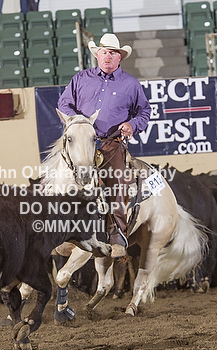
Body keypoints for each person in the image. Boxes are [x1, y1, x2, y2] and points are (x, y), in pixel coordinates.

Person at [57, 33, 151, 258]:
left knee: (115, 182)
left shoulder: (130, 84)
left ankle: (117, 234)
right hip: (81, 141)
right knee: (55, 177)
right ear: (97, 55)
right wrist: (78, 121)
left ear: (120, 57)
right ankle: (57, 229)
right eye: (104, 52)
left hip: (110, 143)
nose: (108, 56)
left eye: (113, 53)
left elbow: (144, 112)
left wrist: (132, 124)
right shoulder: (80, 79)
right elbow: (64, 104)